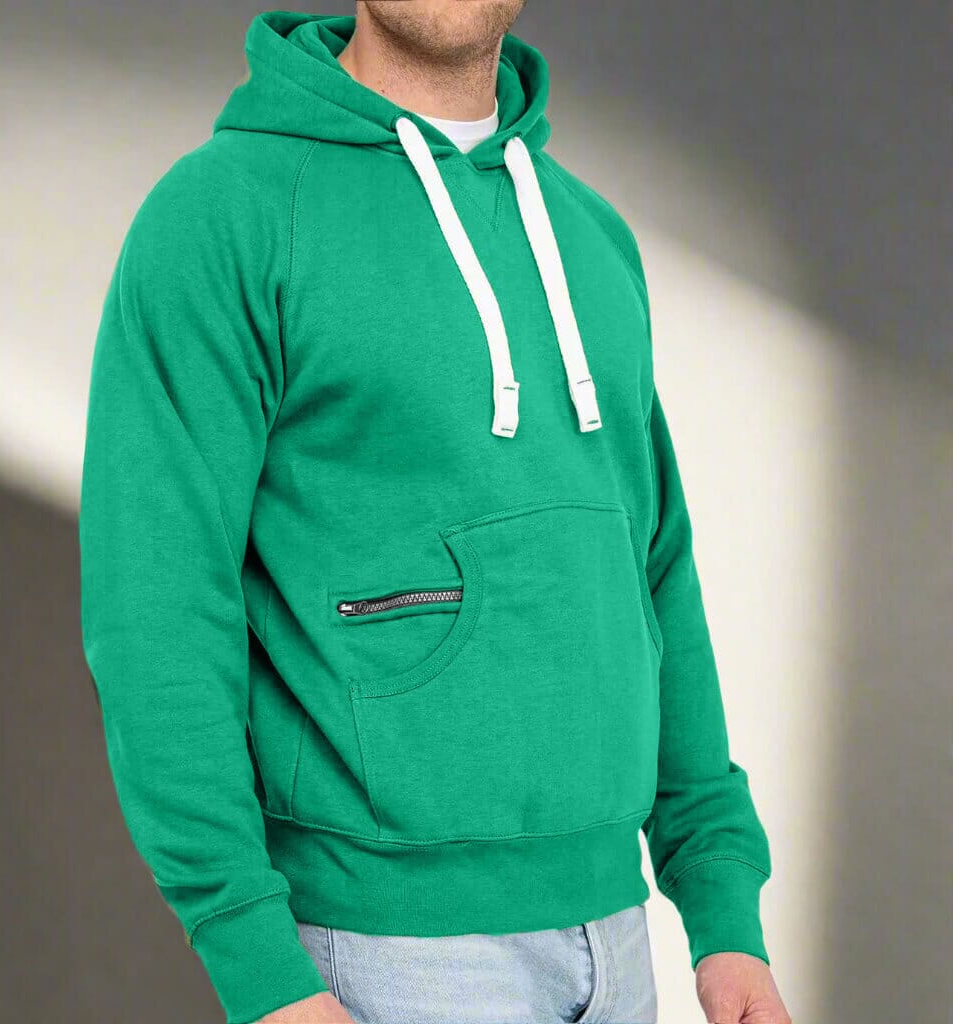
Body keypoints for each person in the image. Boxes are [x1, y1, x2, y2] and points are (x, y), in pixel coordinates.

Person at [79, 4, 791, 1023]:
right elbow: (156, 605)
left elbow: (655, 570)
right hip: (382, 952)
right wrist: (258, 965)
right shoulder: (225, 214)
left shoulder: (591, 237)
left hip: (619, 936)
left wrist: (721, 904)